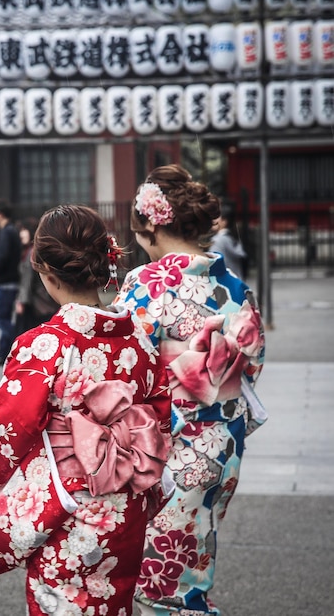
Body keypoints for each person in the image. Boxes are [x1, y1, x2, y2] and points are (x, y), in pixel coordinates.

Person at [0, 205, 173, 615]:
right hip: (126, 504)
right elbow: (159, 416)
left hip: (66, 506)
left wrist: (13, 485)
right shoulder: (139, 339)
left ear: (46, 274)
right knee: (113, 600)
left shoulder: (45, 345)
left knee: (61, 601)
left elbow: (3, 428)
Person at [115, 165, 266, 615]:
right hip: (223, 443)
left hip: (171, 444)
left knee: (165, 582)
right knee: (191, 556)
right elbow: (251, 364)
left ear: (151, 228)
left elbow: (128, 367)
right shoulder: (236, 287)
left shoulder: (144, 284)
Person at [0, 201, 21, 366]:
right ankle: (3, 352)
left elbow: (2, 258)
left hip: (4, 281)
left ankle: (17, 346)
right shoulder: (10, 231)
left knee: (1, 319)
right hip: (10, 280)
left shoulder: (7, 232)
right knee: (4, 317)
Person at [14, 217, 60, 335]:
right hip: (40, 301)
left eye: (24, 230)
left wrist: (21, 301)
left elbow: (27, 280)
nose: (21, 234)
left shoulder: (32, 252)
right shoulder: (30, 251)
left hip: (39, 301)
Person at [209, 201, 248, 280]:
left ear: (224, 221)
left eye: (216, 217)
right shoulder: (233, 238)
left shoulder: (217, 241)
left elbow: (213, 265)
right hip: (236, 282)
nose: (212, 220)